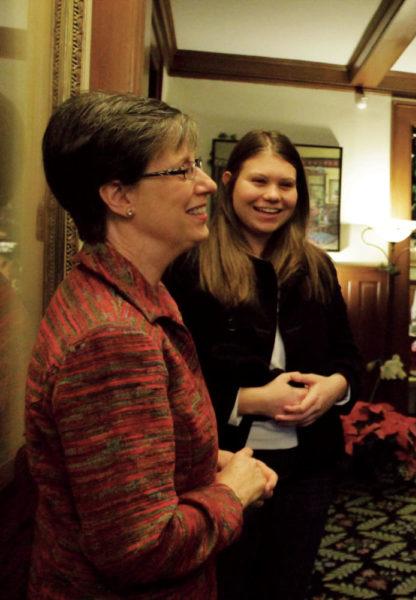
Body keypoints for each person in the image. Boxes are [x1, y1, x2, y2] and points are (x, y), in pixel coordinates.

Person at [28, 92, 276, 598]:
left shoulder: (131, 291)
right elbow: (139, 549)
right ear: (119, 196)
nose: (207, 183)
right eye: (182, 170)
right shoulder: (113, 337)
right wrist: (233, 491)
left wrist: (205, 464)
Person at [165, 130, 362, 599]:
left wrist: (335, 387)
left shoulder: (317, 265)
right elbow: (171, 377)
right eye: (259, 181)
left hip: (309, 464)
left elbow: (349, 356)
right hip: (221, 464)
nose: (273, 196)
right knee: (226, 585)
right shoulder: (189, 263)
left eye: (286, 185)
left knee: (288, 582)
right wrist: (248, 401)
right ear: (229, 182)